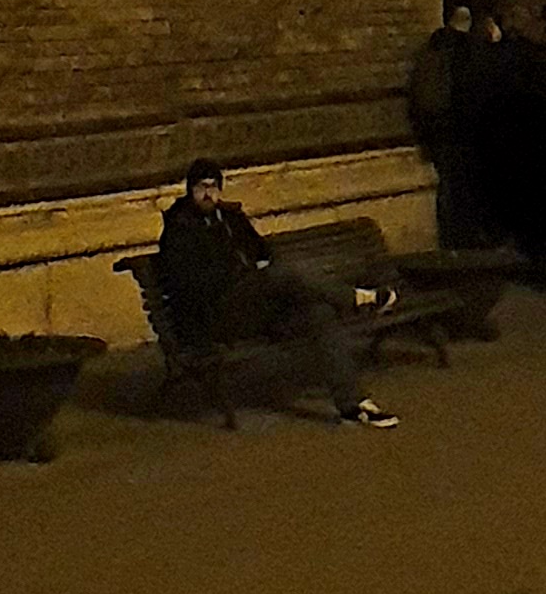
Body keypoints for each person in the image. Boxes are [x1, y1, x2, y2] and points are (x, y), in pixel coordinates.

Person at [151, 163, 394, 425]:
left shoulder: (231, 218)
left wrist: (258, 268)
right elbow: (188, 284)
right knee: (278, 274)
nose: (208, 194)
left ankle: (353, 404)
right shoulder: (179, 228)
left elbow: (263, 251)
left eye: (213, 187)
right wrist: (241, 275)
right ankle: (356, 299)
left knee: (319, 314)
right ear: (191, 190)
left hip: (256, 308)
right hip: (217, 314)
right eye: (201, 187)